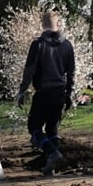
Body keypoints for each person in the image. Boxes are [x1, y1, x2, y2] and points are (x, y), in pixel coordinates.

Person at [16, 10, 76, 175]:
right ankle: (51, 165)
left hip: (43, 92)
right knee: (52, 129)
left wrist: (22, 91)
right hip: (59, 92)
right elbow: (71, 72)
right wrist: (69, 94)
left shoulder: (38, 45)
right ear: (58, 24)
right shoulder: (67, 45)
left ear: (42, 25)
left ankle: (51, 153)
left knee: (34, 127)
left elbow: (30, 70)